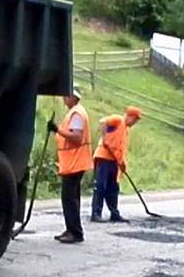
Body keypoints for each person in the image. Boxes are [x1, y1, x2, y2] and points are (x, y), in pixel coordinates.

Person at [47, 87, 93, 244]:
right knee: (72, 197)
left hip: (75, 161)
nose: (64, 98)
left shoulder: (77, 114)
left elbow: (77, 137)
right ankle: (72, 229)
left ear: (74, 98)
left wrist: (57, 130)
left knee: (69, 198)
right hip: (73, 161)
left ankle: (75, 232)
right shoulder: (75, 112)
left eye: (67, 96)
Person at [91, 106, 142, 223]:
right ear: (130, 116)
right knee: (100, 186)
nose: (135, 123)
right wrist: (105, 139)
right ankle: (95, 213)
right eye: (135, 120)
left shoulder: (126, 130)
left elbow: (120, 149)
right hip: (103, 158)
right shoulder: (118, 120)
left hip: (114, 161)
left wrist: (123, 163)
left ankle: (114, 213)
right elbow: (103, 122)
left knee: (113, 188)